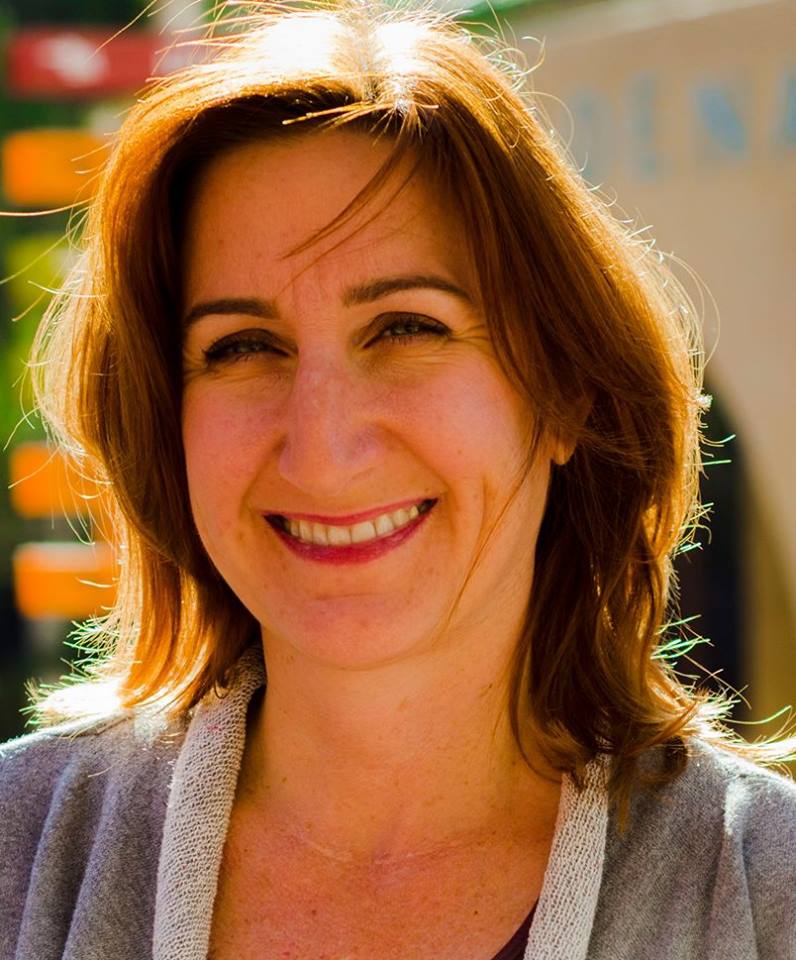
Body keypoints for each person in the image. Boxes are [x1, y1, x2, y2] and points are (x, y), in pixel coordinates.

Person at [1, 2, 795, 958]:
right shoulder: (21, 853)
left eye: (407, 328)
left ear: (565, 392)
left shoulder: (768, 888)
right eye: (242, 346)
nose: (322, 447)